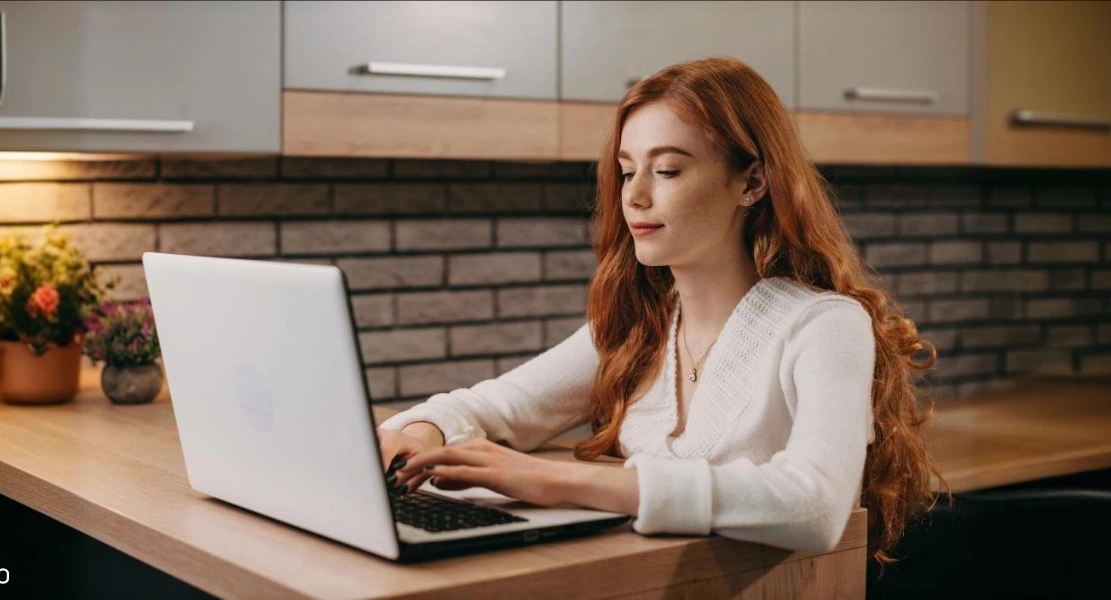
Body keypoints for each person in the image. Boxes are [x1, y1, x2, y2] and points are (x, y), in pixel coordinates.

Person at [378, 56, 946, 567]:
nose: (634, 196)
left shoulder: (824, 325)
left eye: (668, 170)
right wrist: (424, 433)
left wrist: (564, 482)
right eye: (627, 170)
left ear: (752, 181)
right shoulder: (637, 325)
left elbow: (816, 505)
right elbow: (497, 407)